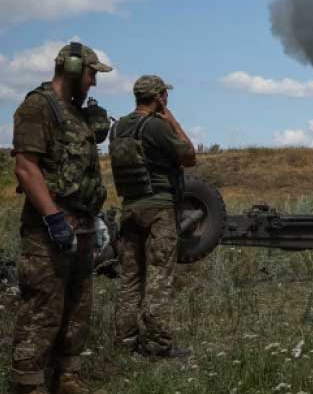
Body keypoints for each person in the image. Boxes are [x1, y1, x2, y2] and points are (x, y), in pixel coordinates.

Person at [9, 42, 113, 394]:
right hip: (48, 231)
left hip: (82, 225)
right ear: (71, 69)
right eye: (91, 74)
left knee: (78, 308)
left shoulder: (75, 113)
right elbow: (26, 167)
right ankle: (28, 384)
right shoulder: (37, 107)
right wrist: (53, 218)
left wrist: (93, 218)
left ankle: (67, 376)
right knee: (42, 310)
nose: (93, 83)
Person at [110, 75, 196, 359]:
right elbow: (189, 156)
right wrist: (172, 119)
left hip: (130, 209)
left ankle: (125, 342)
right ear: (159, 97)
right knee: (159, 277)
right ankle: (158, 345)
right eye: (164, 95)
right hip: (159, 209)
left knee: (130, 279)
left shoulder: (120, 127)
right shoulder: (158, 126)